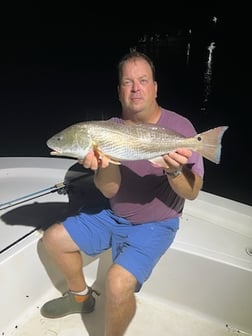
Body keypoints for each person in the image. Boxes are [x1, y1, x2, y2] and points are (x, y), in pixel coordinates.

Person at [40, 51, 204, 335]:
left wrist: (174, 170)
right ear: (119, 91)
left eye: (143, 80)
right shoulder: (109, 129)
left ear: (155, 87)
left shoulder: (180, 128)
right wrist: (101, 165)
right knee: (52, 239)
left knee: (117, 282)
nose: (136, 88)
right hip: (114, 215)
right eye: (128, 82)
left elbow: (192, 192)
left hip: (156, 223)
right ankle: (81, 298)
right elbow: (109, 188)